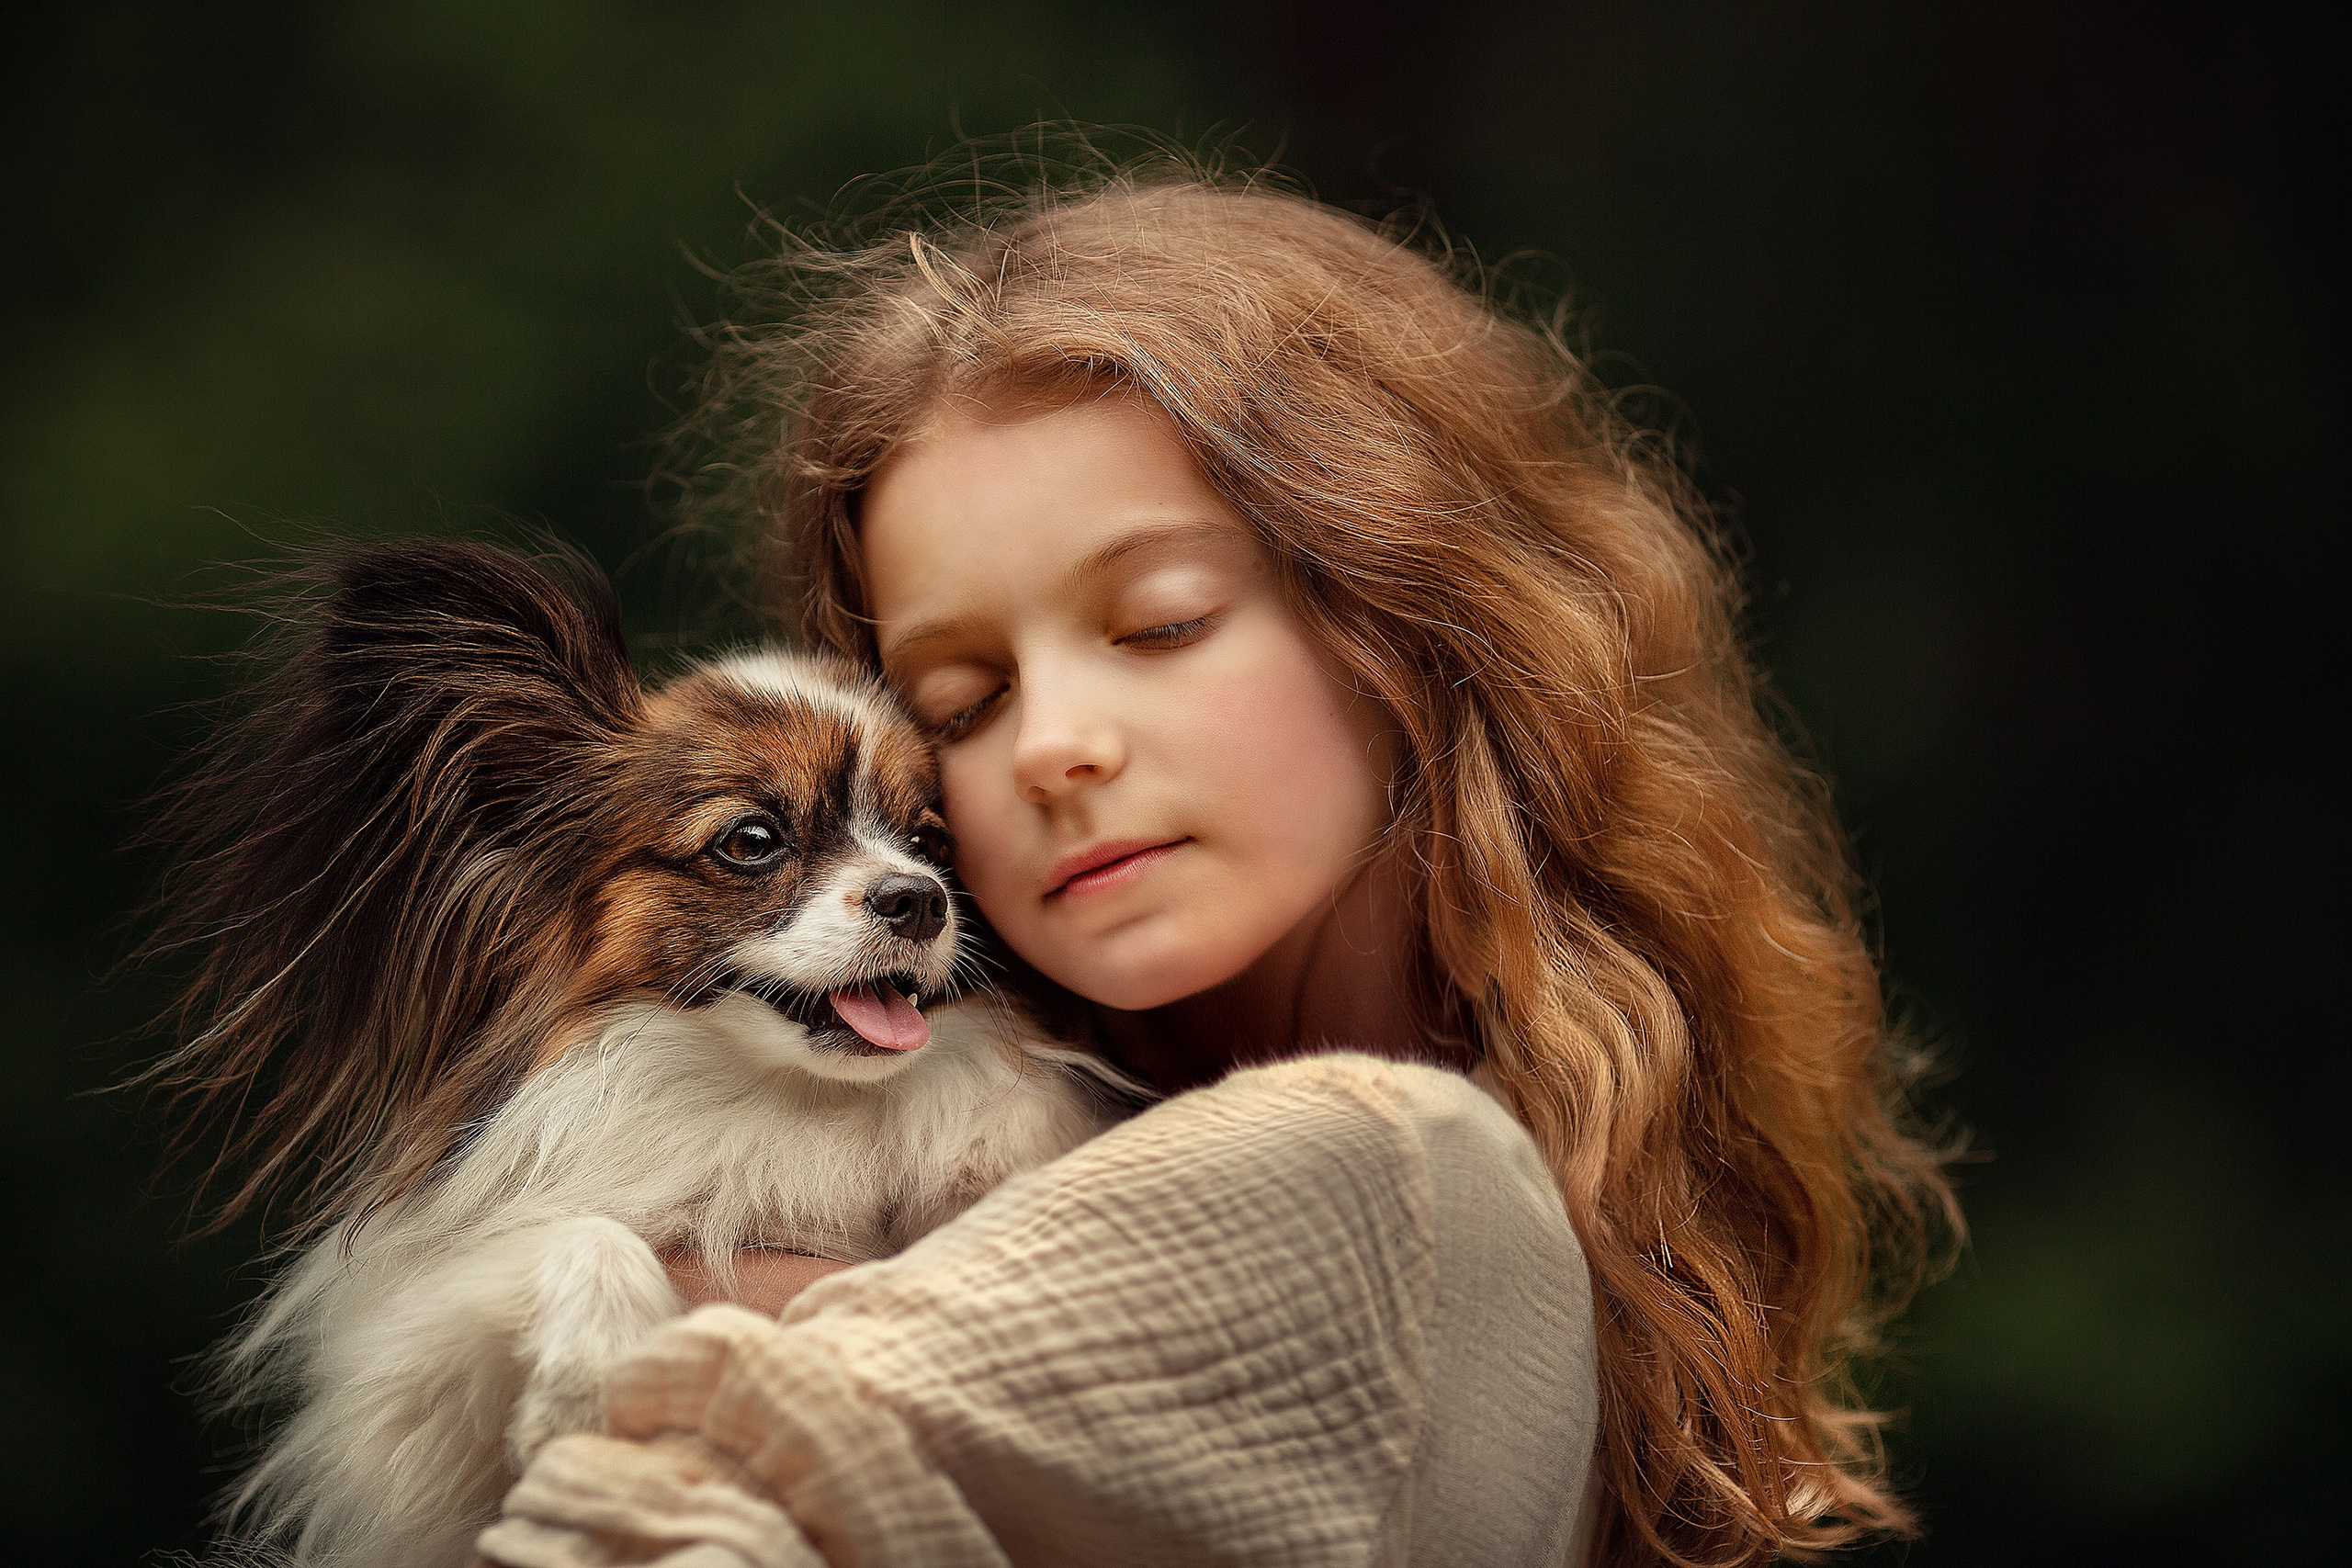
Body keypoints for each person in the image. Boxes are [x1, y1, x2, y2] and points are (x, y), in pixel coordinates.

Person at [478, 155, 1959, 1568]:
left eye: (1163, 622)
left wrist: (658, 1298)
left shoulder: (1396, 1175)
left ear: (1412, 619)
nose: (1055, 747)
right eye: (960, 706)